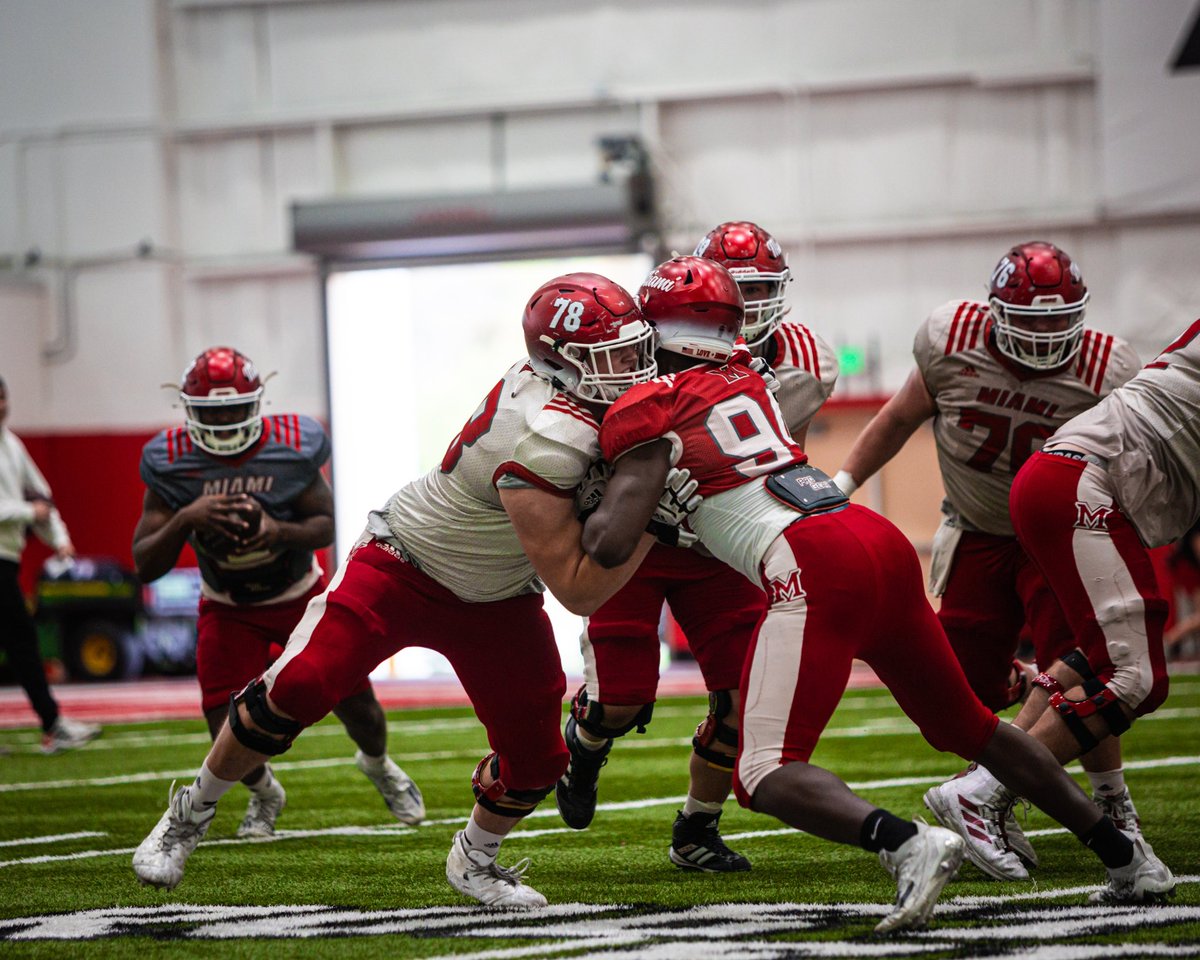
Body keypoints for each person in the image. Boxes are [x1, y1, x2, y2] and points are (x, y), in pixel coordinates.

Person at [579, 256, 1174, 933]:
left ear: (651, 330)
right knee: (971, 729)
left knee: (765, 774)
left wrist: (594, 491)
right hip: (871, 537)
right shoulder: (747, 373)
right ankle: (1128, 858)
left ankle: (907, 843)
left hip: (811, 561)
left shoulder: (647, 405)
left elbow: (607, 544)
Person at [131, 275, 693, 907]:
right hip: (405, 565)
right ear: (561, 363)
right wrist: (658, 523)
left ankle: (475, 860)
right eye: (612, 357)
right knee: (300, 684)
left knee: (538, 759)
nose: (635, 367)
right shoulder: (539, 435)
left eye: (636, 348)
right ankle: (188, 816)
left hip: (497, 594)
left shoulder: (577, 396)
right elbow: (580, 591)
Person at [834, 241, 1144, 880]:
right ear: (996, 311)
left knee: (1087, 669)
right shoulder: (951, 341)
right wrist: (840, 485)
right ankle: (1006, 749)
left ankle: (1097, 802)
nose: (1047, 336)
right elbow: (895, 420)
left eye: (1060, 321)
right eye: (1031, 322)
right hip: (977, 531)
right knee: (959, 698)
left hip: (1058, 536)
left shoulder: (1107, 368)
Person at [556, 221, 839, 874]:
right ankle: (588, 737)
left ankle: (696, 827)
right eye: (733, 289)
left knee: (744, 695)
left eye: (758, 288)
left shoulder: (805, 363)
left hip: (718, 542)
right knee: (620, 701)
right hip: (641, 539)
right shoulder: (629, 350)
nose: (747, 303)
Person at [929, 317, 1200, 888]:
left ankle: (994, 780)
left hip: (1067, 479)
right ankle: (984, 792)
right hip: (1081, 483)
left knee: (1099, 656)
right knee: (1137, 680)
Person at [132, 346, 424, 838]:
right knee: (221, 718)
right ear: (189, 411)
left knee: (358, 705)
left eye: (234, 408)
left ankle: (377, 764)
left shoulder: (291, 444)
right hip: (227, 605)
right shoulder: (171, 461)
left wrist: (275, 530)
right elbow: (145, 564)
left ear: (256, 403)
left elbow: (326, 525)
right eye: (211, 412)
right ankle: (265, 793)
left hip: (298, 595)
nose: (224, 420)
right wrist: (187, 517)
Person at [0, 375, 100, 754]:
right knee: (22, 642)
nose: (0, 406)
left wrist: (59, 539)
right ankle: (52, 723)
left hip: (6, 559)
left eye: (2, 397)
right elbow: (34, 506)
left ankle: (52, 723)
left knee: (21, 642)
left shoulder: (11, 445)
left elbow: (44, 498)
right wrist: (31, 511)